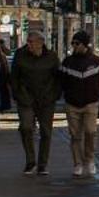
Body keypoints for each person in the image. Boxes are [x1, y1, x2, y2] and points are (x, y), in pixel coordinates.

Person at [57, 30, 99, 179]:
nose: (74, 46)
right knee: (75, 136)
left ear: (85, 45)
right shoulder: (67, 62)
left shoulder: (97, 62)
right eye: (72, 43)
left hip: (90, 103)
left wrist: (95, 94)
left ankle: (90, 160)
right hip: (72, 104)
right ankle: (77, 164)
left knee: (91, 132)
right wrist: (67, 94)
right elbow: (62, 80)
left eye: (77, 43)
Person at [10, 29, 61, 175]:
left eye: (32, 42)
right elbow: (14, 77)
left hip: (46, 100)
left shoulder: (51, 57)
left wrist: (54, 95)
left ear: (41, 43)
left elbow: (58, 78)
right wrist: (17, 94)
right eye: (28, 42)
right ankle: (30, 161)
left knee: (46, 131)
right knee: (26, 127)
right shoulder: (21, 55)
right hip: (26, 99)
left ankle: (43, 164)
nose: (29, 45)